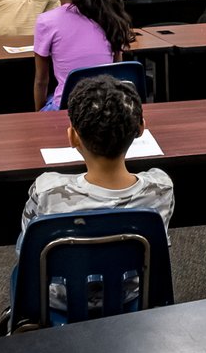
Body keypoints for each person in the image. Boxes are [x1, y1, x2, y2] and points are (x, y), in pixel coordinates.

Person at [21, 75, 173, 235]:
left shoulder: (46, 191)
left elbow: (29, 244)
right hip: (138, 261)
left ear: (72, 137)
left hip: (72, 260)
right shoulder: (162, 188)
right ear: (141, 128)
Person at [34, 0, 135, 111]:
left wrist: (38, 116)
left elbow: (41, 80)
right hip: (107, 105)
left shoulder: (46, 21)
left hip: (68, 108)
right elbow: (117, 68)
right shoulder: (108, 15)